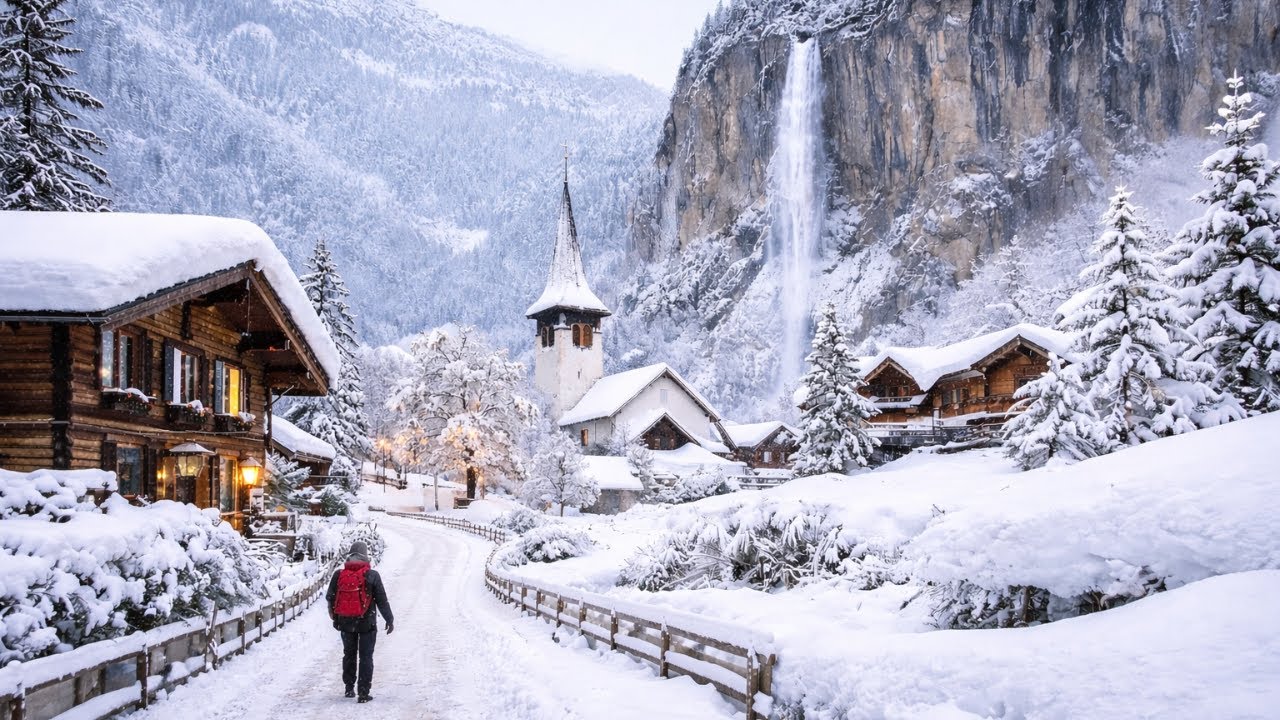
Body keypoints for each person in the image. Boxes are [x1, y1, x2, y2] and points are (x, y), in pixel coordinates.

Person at [326, 540, 394, 703]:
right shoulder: (372, 575)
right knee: (366, 657)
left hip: (346, 623)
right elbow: (382, 600)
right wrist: (389, 619)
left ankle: (349, 688)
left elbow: (331, 597)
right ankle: (363, 693)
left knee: (348, 654)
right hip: (367, 623)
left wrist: (336, 618)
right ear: (366, 556)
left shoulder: (339, 574)